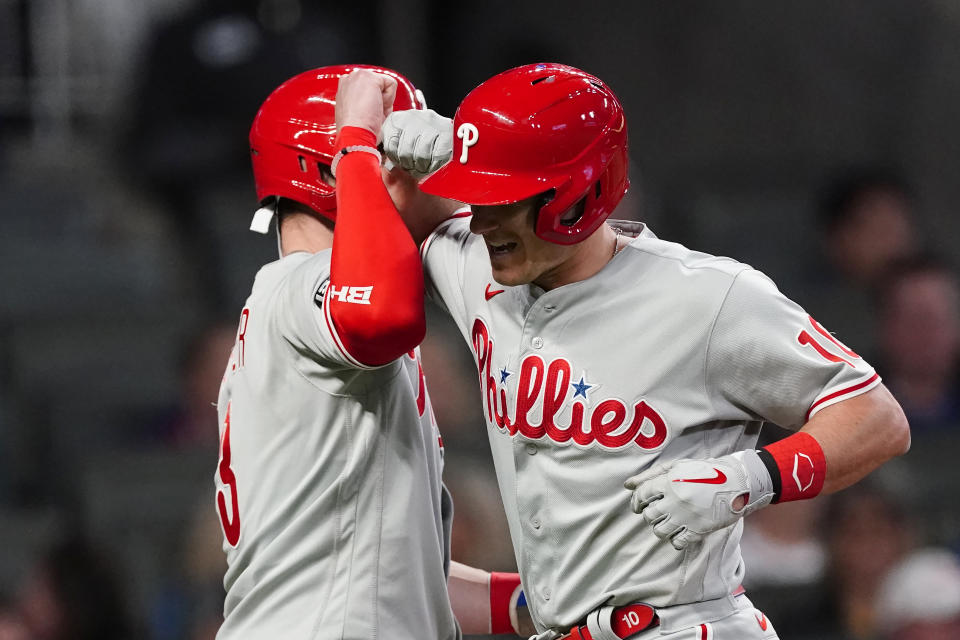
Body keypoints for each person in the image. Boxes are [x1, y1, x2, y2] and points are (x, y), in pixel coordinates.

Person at [376, 62, 911, 640]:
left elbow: (878, 418)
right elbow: (409, 219)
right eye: (479, 196)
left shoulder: (708, 297)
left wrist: (749, 478)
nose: (483, 221)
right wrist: (415, 156)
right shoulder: (482, 266)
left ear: (580, 193)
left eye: (506, 198)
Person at [215, 66, 529, 639]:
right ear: (336, 171)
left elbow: (406, 586)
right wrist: (357, 144)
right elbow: (377, 312)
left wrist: (556, 601)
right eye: (408, 160)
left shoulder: (303, 317)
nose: (435, 180)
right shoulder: (296, 290)